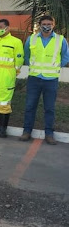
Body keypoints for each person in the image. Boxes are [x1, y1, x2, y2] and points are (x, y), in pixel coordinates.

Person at [19, 15, 69, 145]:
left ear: (54, 25)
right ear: (40, 25)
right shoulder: (32, 38)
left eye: (49, 23)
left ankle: (49, 134)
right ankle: (27, 132)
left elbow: (65, 57)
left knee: (49, 108)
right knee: (30, 106)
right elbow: (27, 55)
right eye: (44, 23)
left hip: (51, 79)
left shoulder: (60, 40)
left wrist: (56, 67)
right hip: (34, 78)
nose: (47, 25)